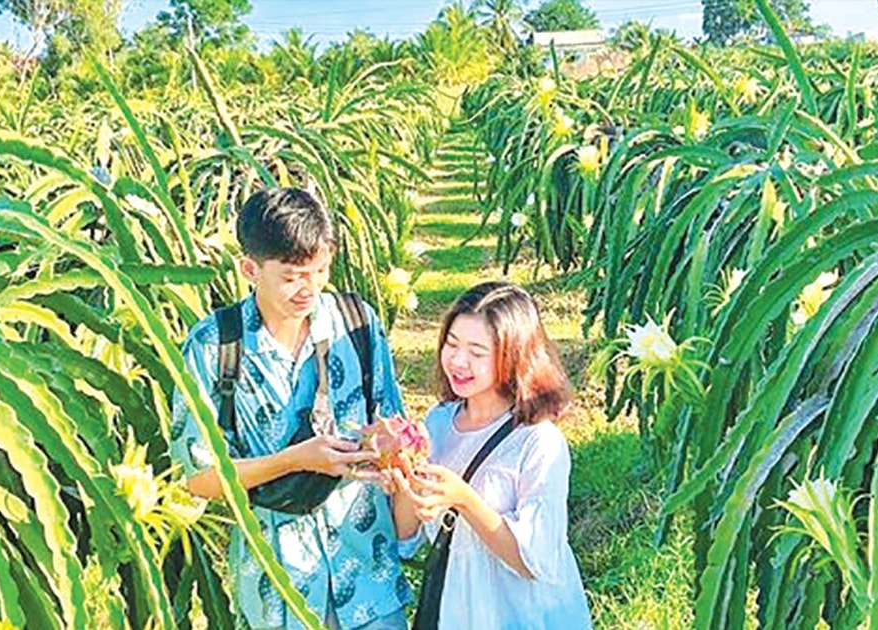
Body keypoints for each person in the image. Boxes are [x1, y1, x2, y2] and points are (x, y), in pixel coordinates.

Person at [169, 188, 412, 630]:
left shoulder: (357, 324)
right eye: (293, 276)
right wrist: (294, 461)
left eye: (320, 271)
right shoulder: (213, 346)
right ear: (250, 269)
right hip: (276, 590)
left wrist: (390, 444)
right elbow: (199, 479)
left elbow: (391, 423)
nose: (310, 289)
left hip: (368, 576)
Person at [384, 281, 593, 629]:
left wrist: (464, 499)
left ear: (513, 356)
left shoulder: (538, 441)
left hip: (523, 614)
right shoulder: (437, 423)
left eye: (477, 352)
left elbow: (535, 561)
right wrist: (406, 474)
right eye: (452, 344)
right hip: (455, 608)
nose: (458, 361)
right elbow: (405, 533)